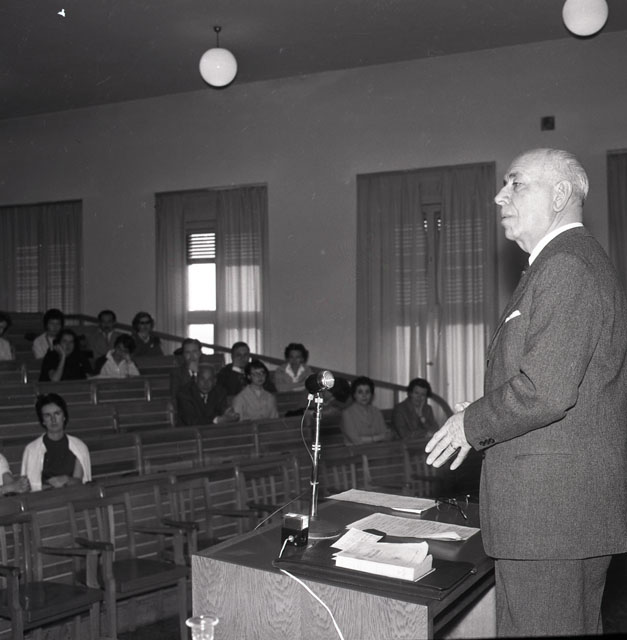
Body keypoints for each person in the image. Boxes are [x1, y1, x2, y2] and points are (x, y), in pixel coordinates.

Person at [425, 148, 627, 637]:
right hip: (559, 513)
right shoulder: (566, 262)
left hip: (549, 516)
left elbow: (546, 390)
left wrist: (470, 424)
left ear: (560, 195)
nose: (501, 196)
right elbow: (558, 380)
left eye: (516, 183)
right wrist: (484, 409)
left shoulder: (566, 266)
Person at [21, 393, 92, 491]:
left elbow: (80, 483)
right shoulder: (31, 450)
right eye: (47, 415)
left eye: (57, 413)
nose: (53, 420)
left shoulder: (79, 447)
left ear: (64, 416)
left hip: (72, 496)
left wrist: (66, 479)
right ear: (43, 421)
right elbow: (29, 488)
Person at [340, 376, 391, 445]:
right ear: (354, 395)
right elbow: (356, 440)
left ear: (372, 395)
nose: (364, 395)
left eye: (367, 392)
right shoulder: (347, 413)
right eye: (360, 392)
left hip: (378, 449)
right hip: (355, 450)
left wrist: (381, 437)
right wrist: (378, 438)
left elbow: (386, 435)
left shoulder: (376, 411)